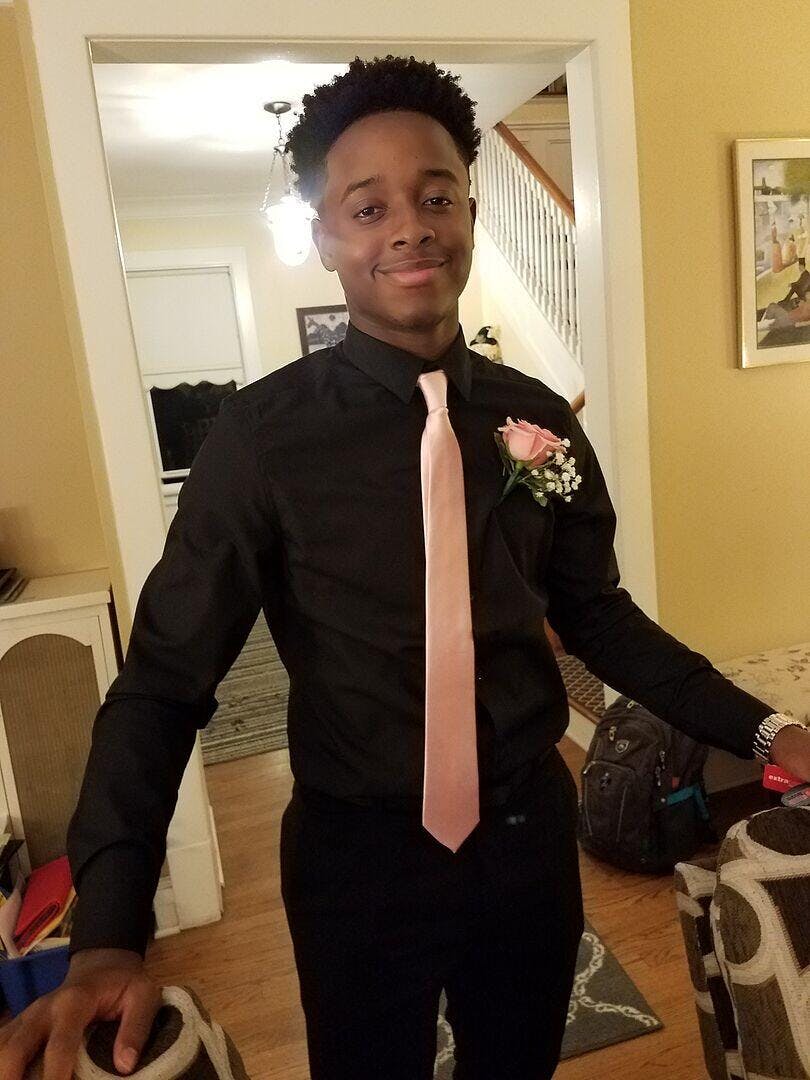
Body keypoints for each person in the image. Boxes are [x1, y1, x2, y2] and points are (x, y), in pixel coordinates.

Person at [3, 54, 809, 1080]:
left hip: (526, 842)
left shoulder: (538, 421)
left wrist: (769, 730)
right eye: (368, 206)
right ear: (324, 238)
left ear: (469, 210)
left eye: (435, 197)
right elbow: (164, 682)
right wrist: (109, 933)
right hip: (357, 861)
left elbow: (601, 618)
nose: (410, 227)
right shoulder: (260, 440)